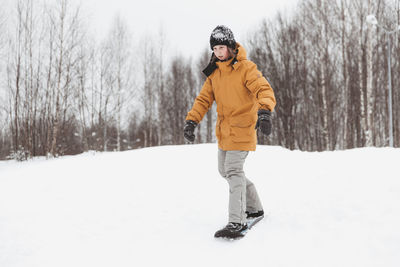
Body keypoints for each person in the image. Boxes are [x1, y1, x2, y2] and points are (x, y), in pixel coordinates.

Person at [184, 25, 276, 239]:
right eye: (215, 48)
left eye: (222, 47)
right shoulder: (215, 74)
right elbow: (203, 100)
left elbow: (264, 89)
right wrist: (191, 121)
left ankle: (237, 221)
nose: (218, 52)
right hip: (225, 133)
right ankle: (255, 208)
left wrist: (264, 112)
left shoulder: (246, 68)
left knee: (233, 171)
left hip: (243, 130)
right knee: (224, 171)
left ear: (231, 47)